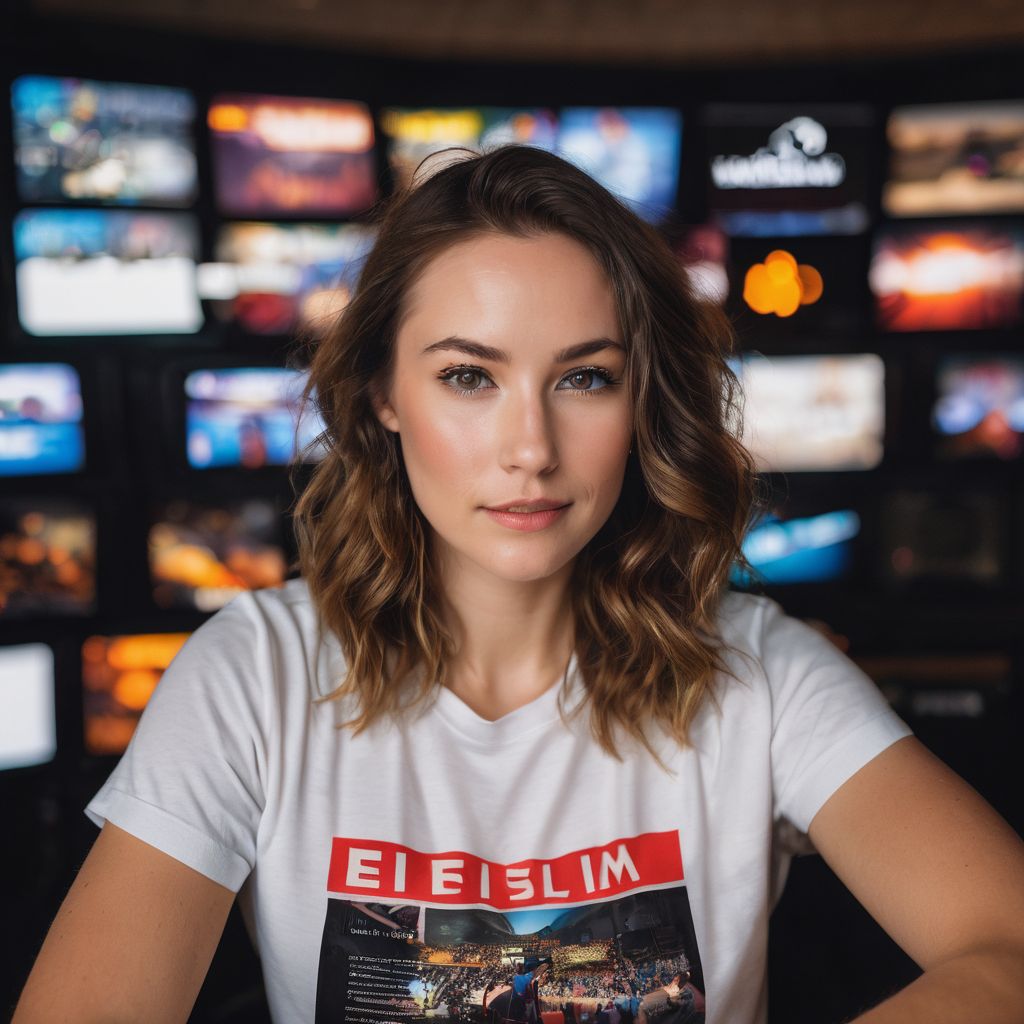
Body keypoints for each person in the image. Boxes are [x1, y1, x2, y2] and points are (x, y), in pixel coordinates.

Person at [13, 144, 1024, 1024]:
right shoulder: (255, 675)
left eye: (584, 377)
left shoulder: (760, 672)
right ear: (383, 396)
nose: (530, 449)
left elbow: (1006, 949)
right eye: (468, 376)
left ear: (643, 400)